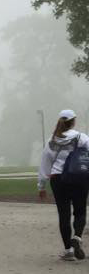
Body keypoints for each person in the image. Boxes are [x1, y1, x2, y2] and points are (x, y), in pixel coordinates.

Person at [38, 108, 89, 260]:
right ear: (73, 121)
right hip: (79, 177)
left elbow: (45, 164)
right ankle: (77, 237)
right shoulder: (81, 138)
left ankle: (68, 251)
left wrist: (41, 186)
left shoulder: (51, 141)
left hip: (58, 179)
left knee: (64, 214)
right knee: (80, 211)